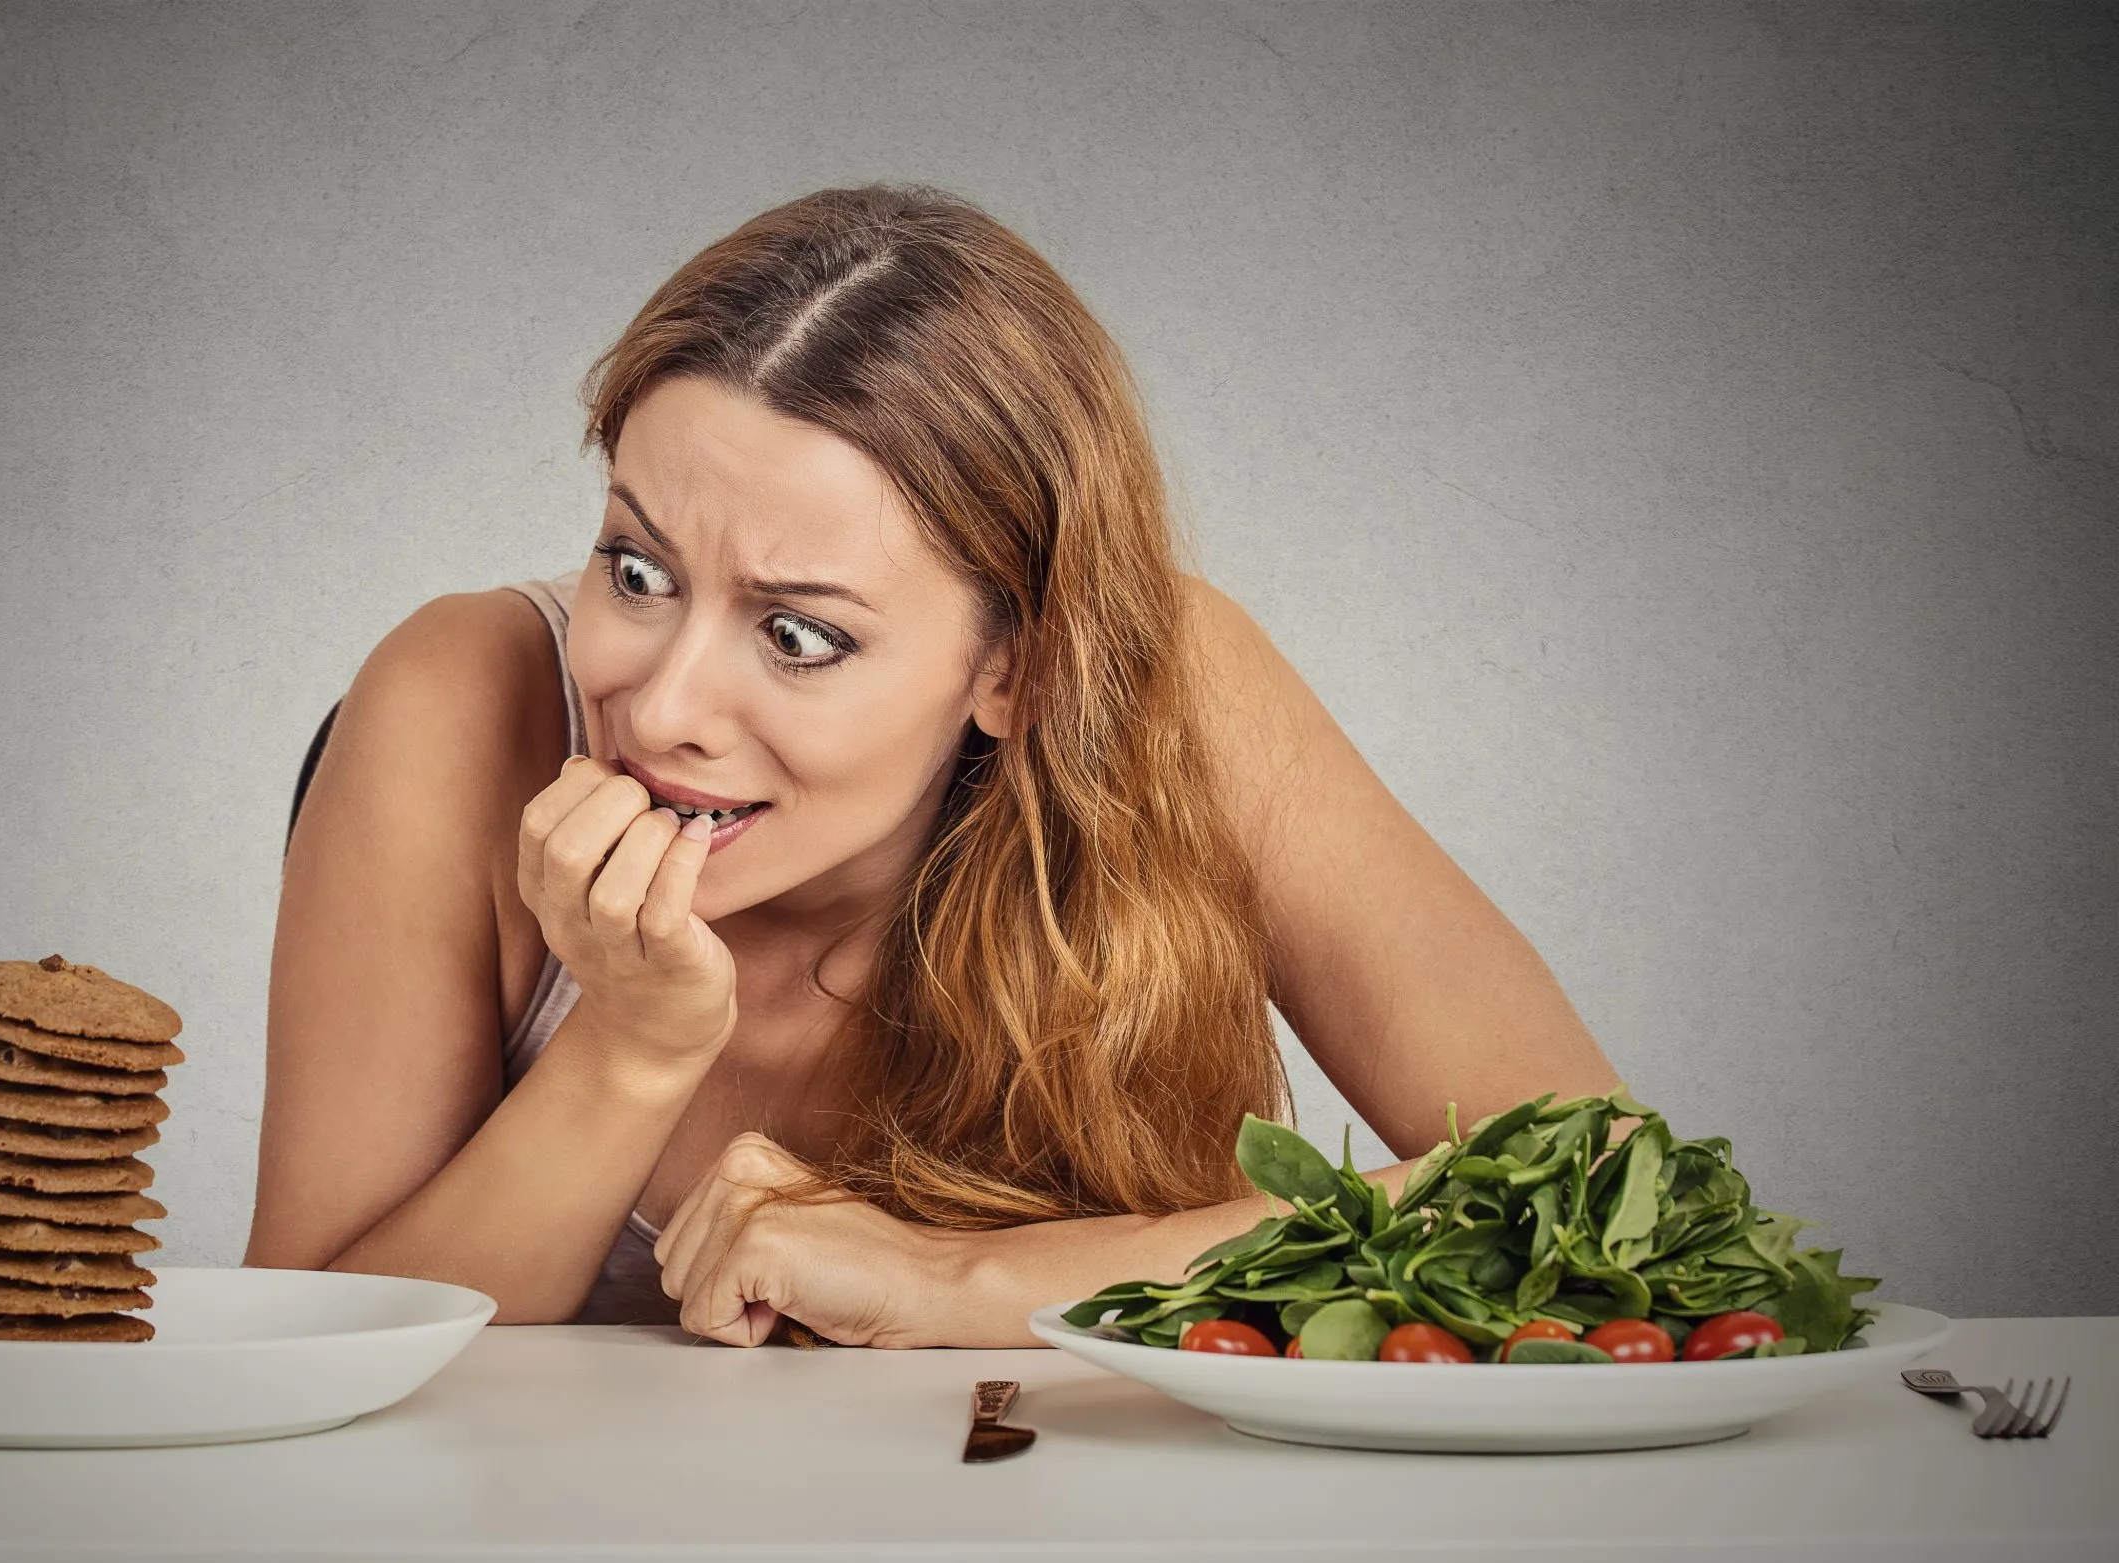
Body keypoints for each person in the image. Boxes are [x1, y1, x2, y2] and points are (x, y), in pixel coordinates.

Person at [243, 183, 1621, 1347]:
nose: (659, 705)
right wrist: (628, 1045)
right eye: (639, 566)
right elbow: (309, 1361)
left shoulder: (1167, 690)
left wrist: (963, 1279)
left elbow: (1604, 1176)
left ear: (1015, 667)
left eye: (797, 634)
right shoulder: (457, 699)